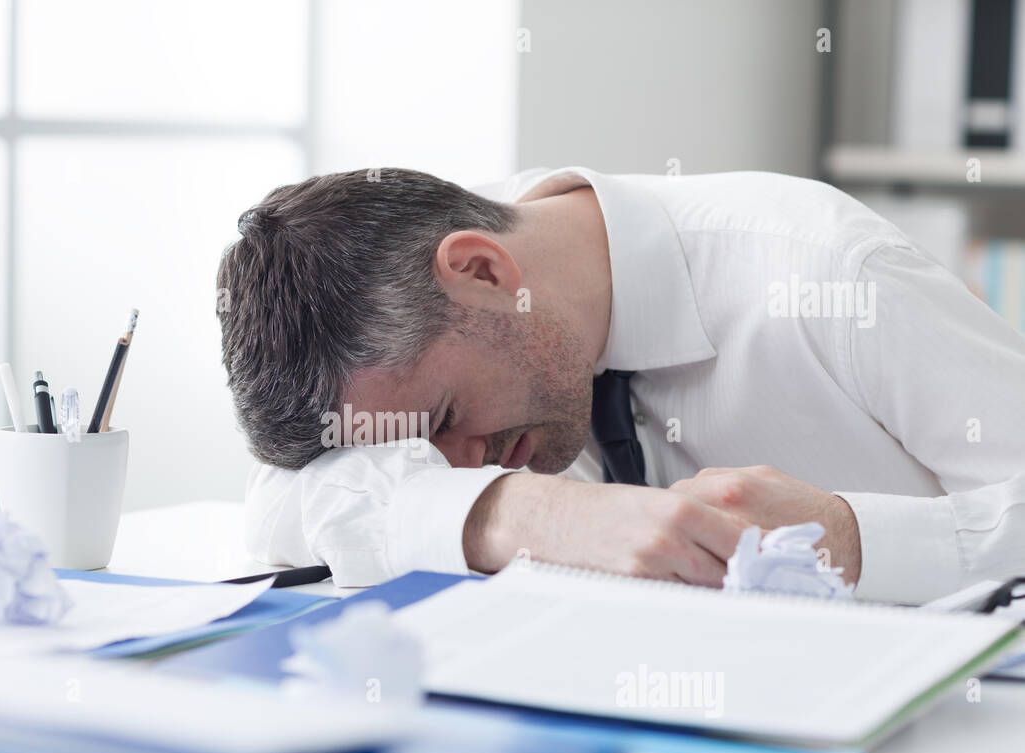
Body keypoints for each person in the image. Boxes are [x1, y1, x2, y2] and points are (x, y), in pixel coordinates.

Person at [215, 166, 1025, 603]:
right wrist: (511, 510)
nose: (455, 464)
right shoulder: (435, 268)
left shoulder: (832, 276)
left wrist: (852, 542)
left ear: (482, 271)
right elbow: (281, 497)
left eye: (446, 417)